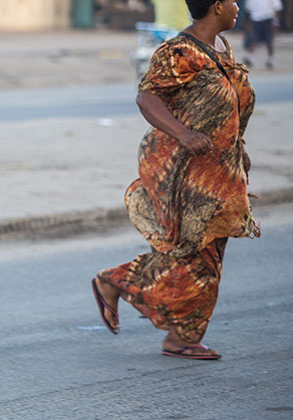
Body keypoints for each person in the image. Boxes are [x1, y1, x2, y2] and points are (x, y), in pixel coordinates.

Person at [91, 0, 258, 361]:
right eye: (231, 2)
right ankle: (120, 282)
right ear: (216, 7)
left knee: (207, 256)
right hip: (182, 169)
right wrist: (183, 134)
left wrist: (238, 146)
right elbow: (147, 97)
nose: (237, 8)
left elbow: (226, 108)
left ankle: (180, 334)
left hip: (218, 170)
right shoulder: (179, 51)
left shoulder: (221, 50)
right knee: (192, 254)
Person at [243, 0, 283, 69]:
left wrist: (276, 22)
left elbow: (277, 8)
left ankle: (270, 60)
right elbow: (248, 10)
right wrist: (249, 23)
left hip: (268, 18)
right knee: (254, 39)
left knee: (269, 41)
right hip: (256, 19)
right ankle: (249, 58)